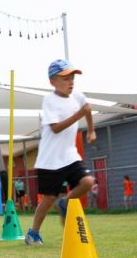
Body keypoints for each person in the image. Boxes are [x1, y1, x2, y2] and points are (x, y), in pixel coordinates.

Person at [25, 60, 96, 245]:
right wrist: (79, 115)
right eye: (65, 78)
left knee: (88, 182)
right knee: (48, 198)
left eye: (72, 78)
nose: (71, 82)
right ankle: (33, 232)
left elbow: (87, 109)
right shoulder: (49, 100)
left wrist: (91, 130)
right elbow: (56, 128)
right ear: (53, 82)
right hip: (49, 160)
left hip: (70, 156)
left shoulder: (78, 96)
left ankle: (65, 206)